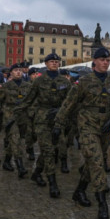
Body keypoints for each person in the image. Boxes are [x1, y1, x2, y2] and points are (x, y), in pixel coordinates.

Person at [53, 47, 110, 219]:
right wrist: (58, 124)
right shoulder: (84, 82)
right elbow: (69, 103)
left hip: (105, 128)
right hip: (87, 126)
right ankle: (102, 204)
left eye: (108, 60)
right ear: (95, 61)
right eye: (102, 59)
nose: (106, 62)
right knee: (98, 162)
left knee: (92, 162)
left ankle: (79, 191)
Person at [20, 53, 72, 198]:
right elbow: (28, 99)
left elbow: (70, 101)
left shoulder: (65, 81)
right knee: (48, 150)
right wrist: (15, 112)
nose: (55, 63)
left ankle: (36, 173)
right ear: (46, 64)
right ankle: (53, 183)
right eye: (52, 61)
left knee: (52, 148)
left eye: (57, 61)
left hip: (58, 119)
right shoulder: (39, 81)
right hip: (42, 118)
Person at [0, 64, 30, 177]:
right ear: (11, 73)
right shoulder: (5, 86)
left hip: (23, 117)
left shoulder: (28, 86)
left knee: (14, 141)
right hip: (10, 116)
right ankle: (20, 167)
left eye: (20, 70)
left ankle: (6, 161)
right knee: (16, 140)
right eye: (15, 70)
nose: (18, 72)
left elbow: (33, 101)